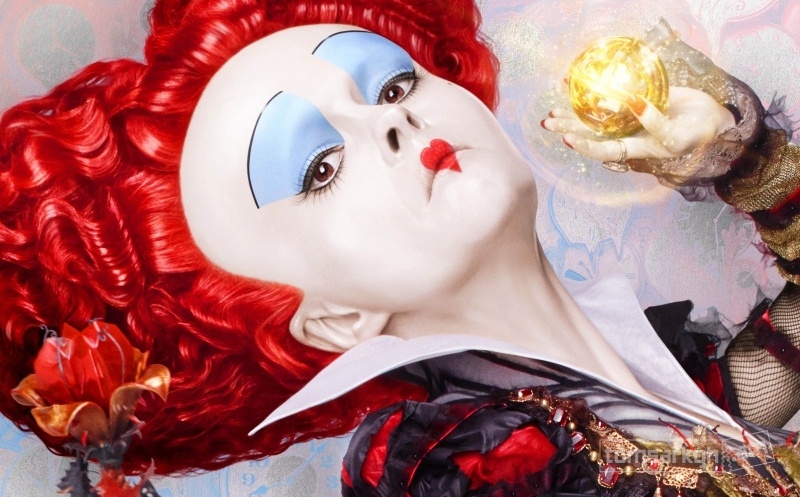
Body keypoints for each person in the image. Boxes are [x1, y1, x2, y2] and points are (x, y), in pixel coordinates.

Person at [0, 0, 797, 489]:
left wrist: (745, 158)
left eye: (391, 82)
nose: (392, 118)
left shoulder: (651, 378)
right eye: (319, 166)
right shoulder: (459, 467)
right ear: (333, 320)